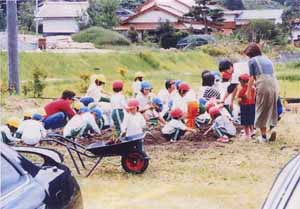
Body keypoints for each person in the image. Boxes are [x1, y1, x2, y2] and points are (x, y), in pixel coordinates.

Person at [244, 43, 279, 142]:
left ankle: (263, 137)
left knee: (261, 109)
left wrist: (248, 91)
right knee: (272, 108)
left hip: (264, 85)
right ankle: (273, 128)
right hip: (274, 84)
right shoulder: (267, 59)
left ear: (251, 54)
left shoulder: (252, 61)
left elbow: (251, 78)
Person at [237, 73, 255, 139]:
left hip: (244, 106)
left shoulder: (242, 90)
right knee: (251, 120)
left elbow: (239, 100)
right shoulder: (253, 88)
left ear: (242, 82)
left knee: (245, 122)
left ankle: (247, 134)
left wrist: (239, 103)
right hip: (252, 105)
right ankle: (252, 131)